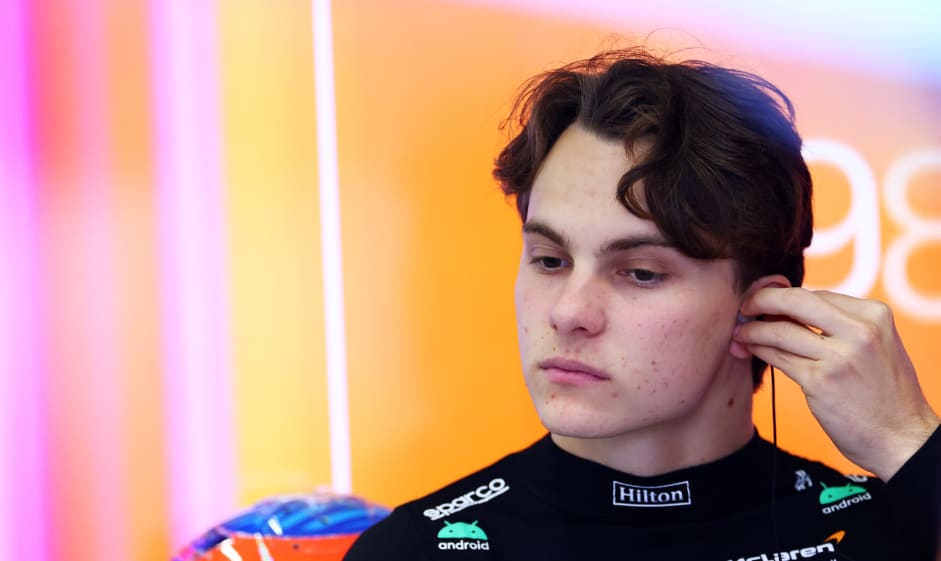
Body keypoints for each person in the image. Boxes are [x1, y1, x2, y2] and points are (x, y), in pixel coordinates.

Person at [343, 47, 940, 560]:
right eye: (550, 260)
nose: (568, 312)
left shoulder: (891, 532)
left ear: (763, 312)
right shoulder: (413, 550)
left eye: (640, 273)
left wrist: (909, 443)